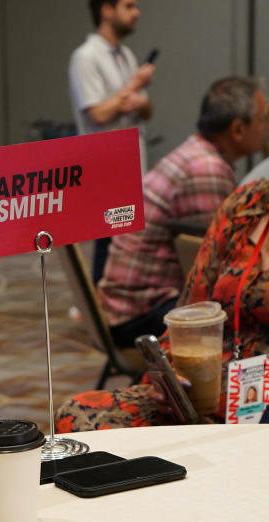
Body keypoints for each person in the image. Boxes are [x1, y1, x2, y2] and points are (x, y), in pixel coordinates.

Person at [56, 178, 269, 430]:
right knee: (75, 416)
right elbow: (192, 307)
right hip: (208, 389)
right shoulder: (248, 202)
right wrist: (167, 376)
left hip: (260, 406)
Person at [97, 76, 268, 348]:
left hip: (122, 305)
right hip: (140, 316)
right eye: (263, 119)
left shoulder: (193, 152)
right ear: (238, 129)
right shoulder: (207, 169)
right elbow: (220, 274)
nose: (266, 127)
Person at [68, 0, 155, 284]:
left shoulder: (126, 54)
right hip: (103, 165)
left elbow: (142, 109)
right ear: (106, 10)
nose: (137, 13)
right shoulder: (85, 57)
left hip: (131, 161)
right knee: (107, 241)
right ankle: (100, 314)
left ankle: (119, 305)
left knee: (128, 243)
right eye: (129, 6)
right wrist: (135, 86)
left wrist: (141, 101)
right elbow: (98, 113)